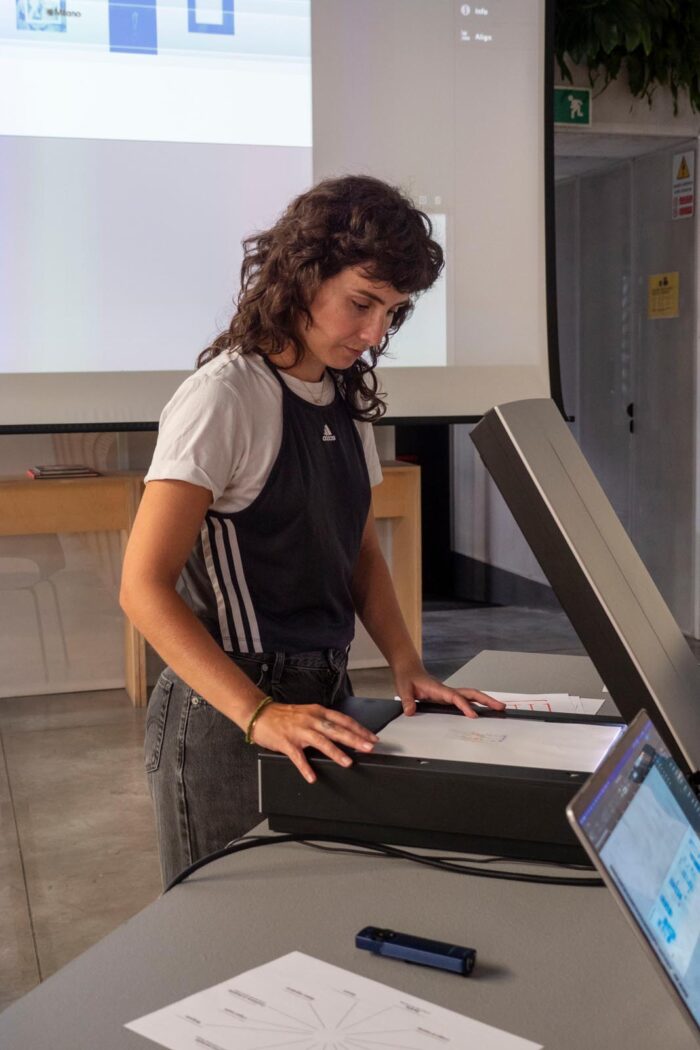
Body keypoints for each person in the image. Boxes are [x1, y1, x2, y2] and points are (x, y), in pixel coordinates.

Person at [120, 174, 504, 886]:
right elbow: (142, 588)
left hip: (322, 691)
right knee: (224, 923)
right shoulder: (224, 397)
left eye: (392, 312)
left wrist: (407, 663)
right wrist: (258, 713)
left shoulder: (341, 395)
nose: (375, 333)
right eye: (361, 303)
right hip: (230, 707)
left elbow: (357, 550)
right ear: (301, 276)